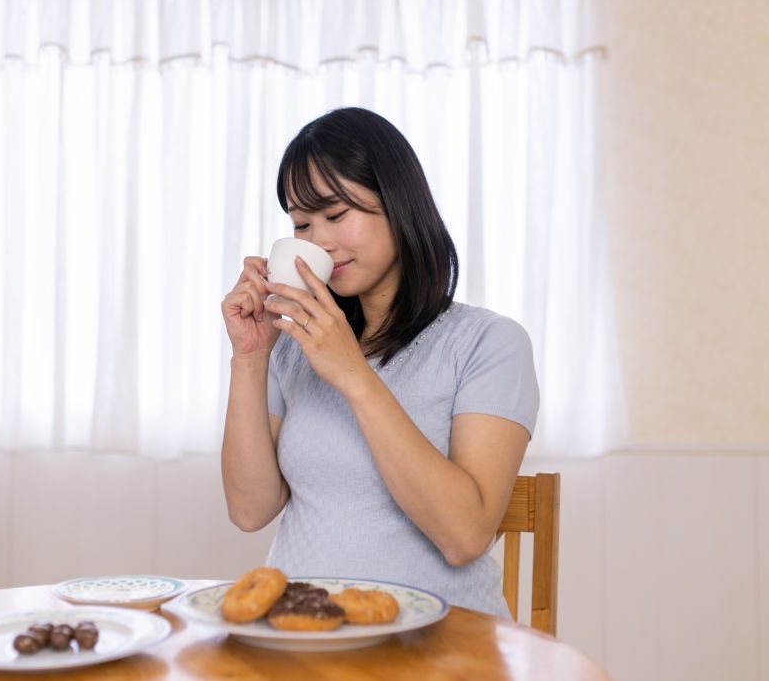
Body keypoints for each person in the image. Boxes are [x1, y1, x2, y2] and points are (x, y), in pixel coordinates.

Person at [219, 107, 539, 617]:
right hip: (306, 639)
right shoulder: (295, 347)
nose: (317, 240)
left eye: (336, 214)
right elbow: (249, 510)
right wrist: (250, 355)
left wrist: (354, 375)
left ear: (398, 202)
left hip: (441, 649)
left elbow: (465, 536)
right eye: (301, 223)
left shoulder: (489, 343)